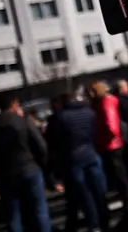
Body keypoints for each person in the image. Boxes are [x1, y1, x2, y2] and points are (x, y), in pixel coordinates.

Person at [0, 96, 51, 232]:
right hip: (30, 168)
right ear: (14, 104)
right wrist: (42, 165)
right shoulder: (24, 121)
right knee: (39, 210)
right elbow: (41, 146)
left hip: (6, 175)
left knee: (14, 214)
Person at [46, 92, 108, 232]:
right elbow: (94, 132)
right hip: (91, 153)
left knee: (85, 194)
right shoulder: (89, 112)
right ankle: (105, 220)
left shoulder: (61, 117)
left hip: (73, 159)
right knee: (99, 190)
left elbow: (55, 141)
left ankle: (94, 224)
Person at [88, 81, 128, 231]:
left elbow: (111, 127)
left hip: (111, 146)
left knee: (122, 183)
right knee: (121, 183)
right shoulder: (104, 103)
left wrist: (102, 137)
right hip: (111, 145)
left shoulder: (105, 103)